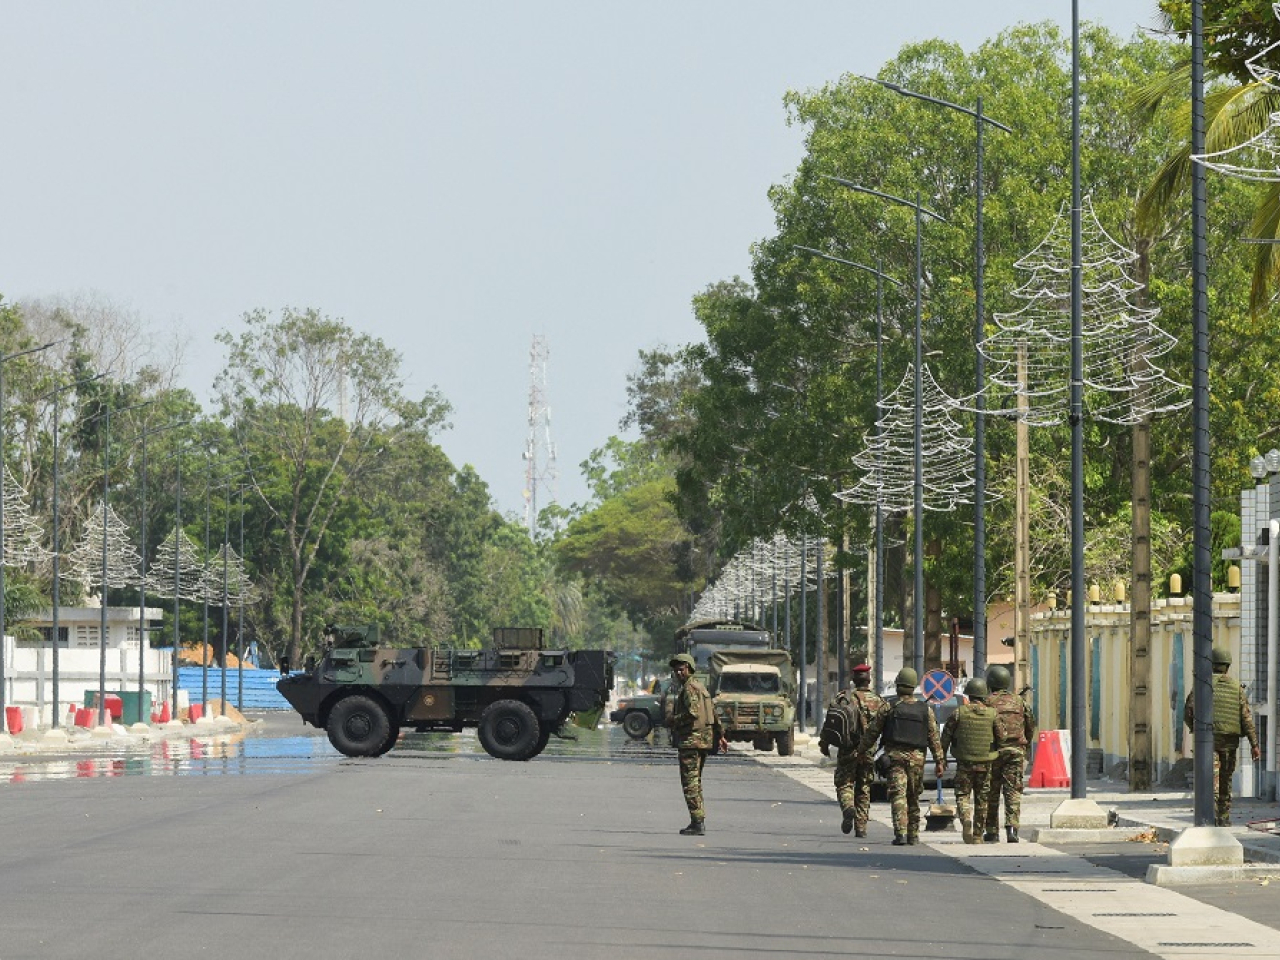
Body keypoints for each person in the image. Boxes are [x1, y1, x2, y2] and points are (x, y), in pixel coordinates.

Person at [858, 667, 944, 846]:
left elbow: (872, 733)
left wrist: (861, 751)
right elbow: (934, 738)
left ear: (898, 686)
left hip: (895, 758)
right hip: (918, 759)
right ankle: (913, 834)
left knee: (898, 795)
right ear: (913, 687)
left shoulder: (889, 707)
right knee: (913, 796)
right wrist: (939, 761)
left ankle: (901, 833)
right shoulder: (925, 710)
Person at [1183, 645, 1260, 826]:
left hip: (1208, 740)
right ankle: (1224, 820)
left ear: (1212, 664)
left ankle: (1210, 817)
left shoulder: (1202, 685)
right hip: (1230, 741)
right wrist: (1254, 745)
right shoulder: (1237, 688)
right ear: (1227, 665)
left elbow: (1188, 711)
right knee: (1226, 780)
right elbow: (1246, 719)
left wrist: (1195, 728)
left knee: (1212, 781)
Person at [668, 652, 726, 835]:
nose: (678, 673)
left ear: (689, 669)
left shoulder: (689, 688)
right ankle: (697, 819)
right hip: (703, 741)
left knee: (690, 783)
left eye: (682, 669)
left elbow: (693, 713)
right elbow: (713, 713)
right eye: (676, 670)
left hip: (691, 742)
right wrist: (721, 735)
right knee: (696, 782)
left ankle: (697, 822)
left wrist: (673, 720)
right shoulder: (701, 687)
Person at [827, 663, 884, 838]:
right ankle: (861, 827)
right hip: (868, 752)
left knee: (844, 784)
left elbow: (830, 722)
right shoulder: (879, 701)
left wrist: (824, 743)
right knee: (864, 788)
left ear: (853, 679)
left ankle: (847, 807)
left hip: (847, 750)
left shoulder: (843, 698)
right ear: (869, 679)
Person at [983, 664, 1036, 843]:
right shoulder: (1019, 702)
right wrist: (1025, 745)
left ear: (990, 683)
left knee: (992, 791)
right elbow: (1030, 725)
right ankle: (1012, 829)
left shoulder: (986, 701)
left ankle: (991, 830)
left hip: (993, 752)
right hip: (1015, 752)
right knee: (1013, 791)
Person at [941, 678, 998, 844]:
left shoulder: (959, 712)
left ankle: (966, 817)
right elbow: (1001, 737)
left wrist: (941, 757)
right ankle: (978, 835)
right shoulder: (992, 713)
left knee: (962, 794)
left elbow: (945, 737)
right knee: (982, 798)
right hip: (985, 762)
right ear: (983, 695)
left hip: (964, 762)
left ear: (969, 695)